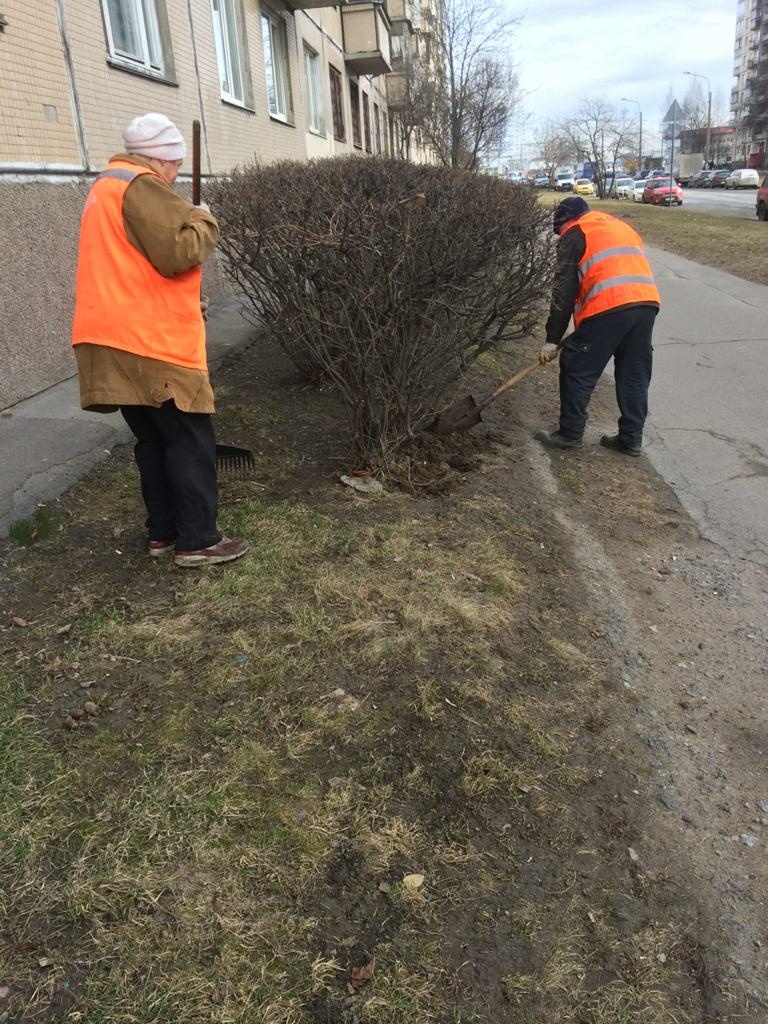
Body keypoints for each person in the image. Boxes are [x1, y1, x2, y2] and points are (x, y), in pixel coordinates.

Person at [71, 113, 249, 567]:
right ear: (159, 159)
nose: (174, 176)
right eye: (175, 166)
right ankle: (198, 541)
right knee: (189, 439)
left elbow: (135, 265)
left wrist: (183, 301)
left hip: (111, 337)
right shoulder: (142, 184)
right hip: (148, 343)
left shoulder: (106, 186)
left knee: (153, 440)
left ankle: (164, 533)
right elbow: (179, 251)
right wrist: (204, 219)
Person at [535, 195, 660, 456]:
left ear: (566, 221)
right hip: (646, 304)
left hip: (608, 305)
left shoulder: (575, 233)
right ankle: (631, 439)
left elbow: (563, 293)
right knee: (634, 373)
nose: (560, 236)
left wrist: (552, 339)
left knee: (577, 367)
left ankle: (570, 434)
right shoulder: (620, 227)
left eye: (559, 231)